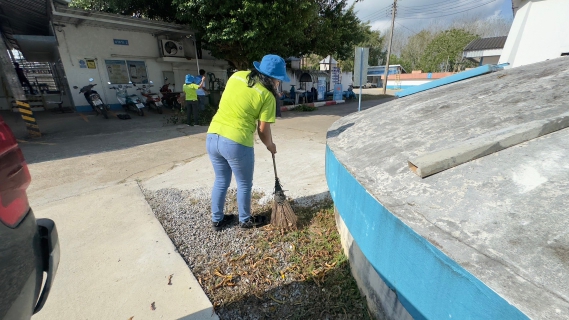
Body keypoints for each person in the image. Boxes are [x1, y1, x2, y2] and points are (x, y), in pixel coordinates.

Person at [206, 54, 290, 231]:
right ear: (274, 78)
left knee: (221, 180)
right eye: (278, 80)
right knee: (244, 184)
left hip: (213, 135)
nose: (278, 83)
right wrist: (270, 145)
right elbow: (263, 130)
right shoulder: (267, 96)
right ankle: (245, 220)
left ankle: (217, 220)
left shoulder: (236, 76)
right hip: (236, 142)